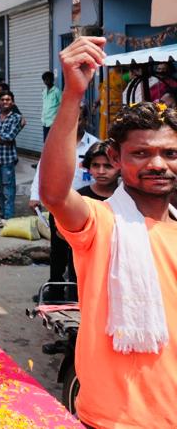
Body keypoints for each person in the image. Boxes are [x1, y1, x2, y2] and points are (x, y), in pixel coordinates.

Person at [38, 36, 177, 428]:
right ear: (115, 158)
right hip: (113, 419)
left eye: (169, 153)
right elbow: (53, 193)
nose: (158, 164)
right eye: (141, 153)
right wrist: (72, 97)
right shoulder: (103, 223)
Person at [29, 125, 105, 306]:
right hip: (60, 207)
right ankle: (55, 292)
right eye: (96, 166)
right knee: (58, 252)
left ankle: (79, 296)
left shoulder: (95, 145)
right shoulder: (55, 144)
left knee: (82, 257)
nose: (101, 170)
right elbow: (43, 169)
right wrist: (35, 196)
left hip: (88, 207)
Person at [0, 90, 23, 225]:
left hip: (7, 159)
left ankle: (8, 217)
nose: (5, 102)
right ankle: (2, 213)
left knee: (8, 188)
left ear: (12, 102)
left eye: (8, 100)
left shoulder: (16, 118)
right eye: (2, 100)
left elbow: (10, 137)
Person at [41, 71, 62, 141]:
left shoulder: (57, 91)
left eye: (48, 79)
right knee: (46, 142)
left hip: (53, 122)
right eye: (45, 79)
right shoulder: (44, 92)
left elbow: (62, 105)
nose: (46, 81)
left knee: (53, 142)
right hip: (45, 122)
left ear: (52, 79)